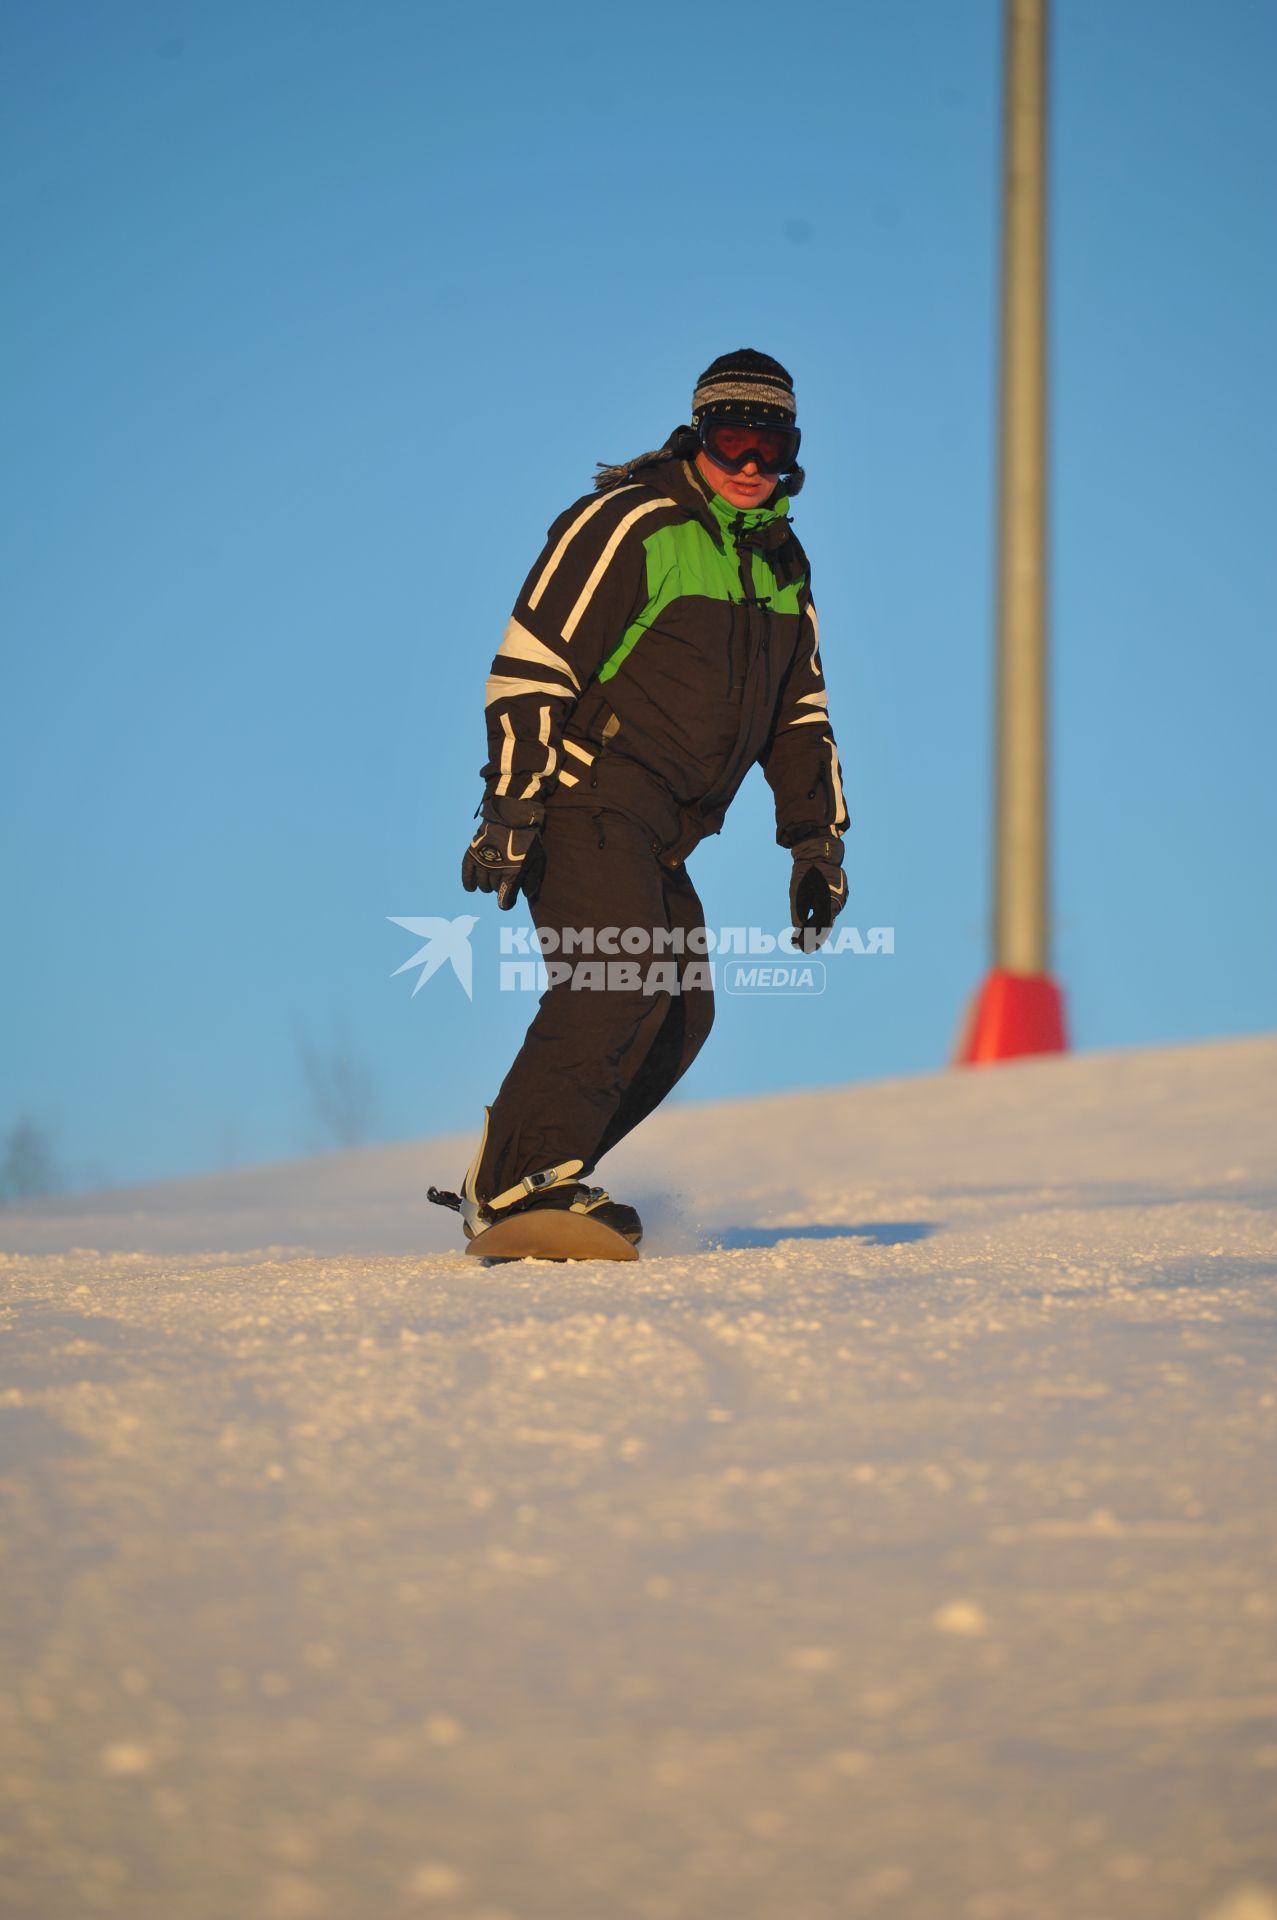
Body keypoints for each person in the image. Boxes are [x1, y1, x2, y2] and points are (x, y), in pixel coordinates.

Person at [446, 349, 848, 1248]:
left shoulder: (782, 563)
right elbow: (529, 667)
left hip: (663, 829)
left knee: (680, 1012)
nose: (749, 466)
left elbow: (800, 714)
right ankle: (517, 1182)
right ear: (697, 436)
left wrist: (815, 843)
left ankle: (532, 1172)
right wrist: (510, 806)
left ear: (792, 451)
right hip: (581, 795)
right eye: (731, 439)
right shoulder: (629, 522)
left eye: (769, 444)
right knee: (616, 977)